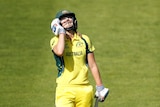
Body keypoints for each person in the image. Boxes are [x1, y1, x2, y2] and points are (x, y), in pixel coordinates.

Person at [50, 10, 109, 107]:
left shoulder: (85, 39)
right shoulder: (55, 40)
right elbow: (60, 52)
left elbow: (92, 65)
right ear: (58, 23)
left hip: (85, 90)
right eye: (63, 18)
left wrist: (100, 87)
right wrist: (61, 32)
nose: (67, 19)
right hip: (65, 90)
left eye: (69, 17)